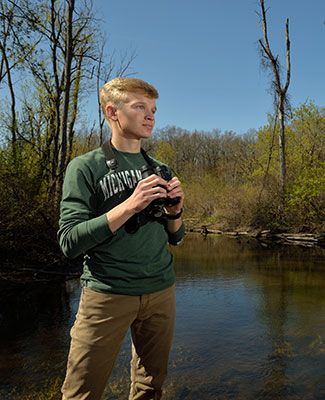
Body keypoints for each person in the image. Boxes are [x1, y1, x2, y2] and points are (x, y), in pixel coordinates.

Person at [58, 77, 185, 400]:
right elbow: (70, 241)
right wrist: (130, 205)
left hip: (160, 291)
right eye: (140, 106)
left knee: (150, 387)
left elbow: (177, 237)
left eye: (153, 109)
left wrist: (176, 210)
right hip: (107, 294)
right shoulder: (85, 167)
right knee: (81, 392)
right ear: (112, 112)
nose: (150, 116)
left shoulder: (160, 168)